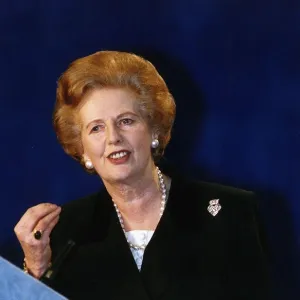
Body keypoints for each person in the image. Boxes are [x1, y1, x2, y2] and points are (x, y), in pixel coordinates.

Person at [14, 51, 269, 299]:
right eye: (96, 128)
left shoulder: (230, 213)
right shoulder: (64, 234)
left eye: (126, 121)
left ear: (154, 131)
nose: (113, 138)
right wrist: (36, 271)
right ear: (83, 150)